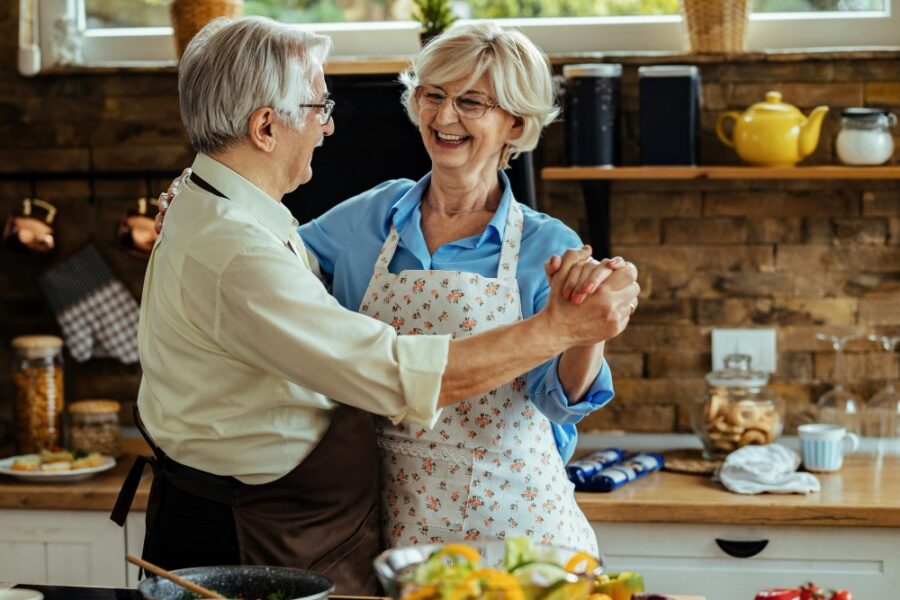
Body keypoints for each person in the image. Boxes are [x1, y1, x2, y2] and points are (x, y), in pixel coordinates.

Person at [122, 16, 639, 595]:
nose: (444, 117)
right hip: (399, 520)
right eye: (432, 95)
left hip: (517, 524)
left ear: (515, 123)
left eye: (471, 101)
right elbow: (269, 268)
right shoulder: (368, 217)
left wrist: (585, 330)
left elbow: (561, 402)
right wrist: (198, 196)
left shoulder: (549, 243)